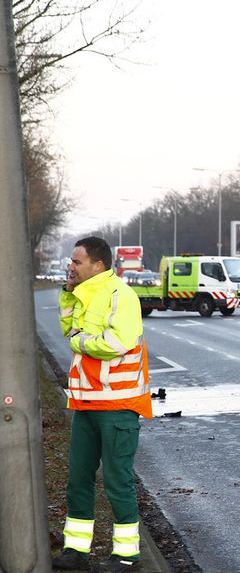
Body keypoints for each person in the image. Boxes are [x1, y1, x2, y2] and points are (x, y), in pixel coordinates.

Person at [52, 236, 152, 572]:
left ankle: (127, 556)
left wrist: (80, 342)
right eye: (71, 261)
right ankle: (76, 552)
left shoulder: (119, 294)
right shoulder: (83, 293)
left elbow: (116, 342)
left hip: (117, 406)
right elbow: (68, 329)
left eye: (77, 262)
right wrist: (67, 293)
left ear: (98, 264)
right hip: (86, 404)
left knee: (117, 481)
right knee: (78, 479)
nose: (72, 266)